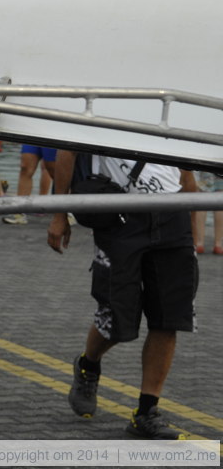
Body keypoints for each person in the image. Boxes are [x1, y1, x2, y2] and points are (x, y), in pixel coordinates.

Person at [47, 150, 198, 439]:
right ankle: (88, 364)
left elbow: (185, 159)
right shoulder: (101, 104)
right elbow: (66, 149)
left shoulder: (169, 107)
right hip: (119, 213)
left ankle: (146, 412)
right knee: (116, 317)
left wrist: (191, 214)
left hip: (172, 214)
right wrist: (59, 213)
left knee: (170, 318)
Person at [3, 145, 58, 224]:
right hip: (33, 135)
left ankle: (67, 211)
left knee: (53, 169)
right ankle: (19, 212)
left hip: (52, 137)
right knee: (25, 167)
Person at [191, 170, 223, 255]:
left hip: (207, 160)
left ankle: (199, 243)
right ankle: (218, 244)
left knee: (202, 196)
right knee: (220, 196)